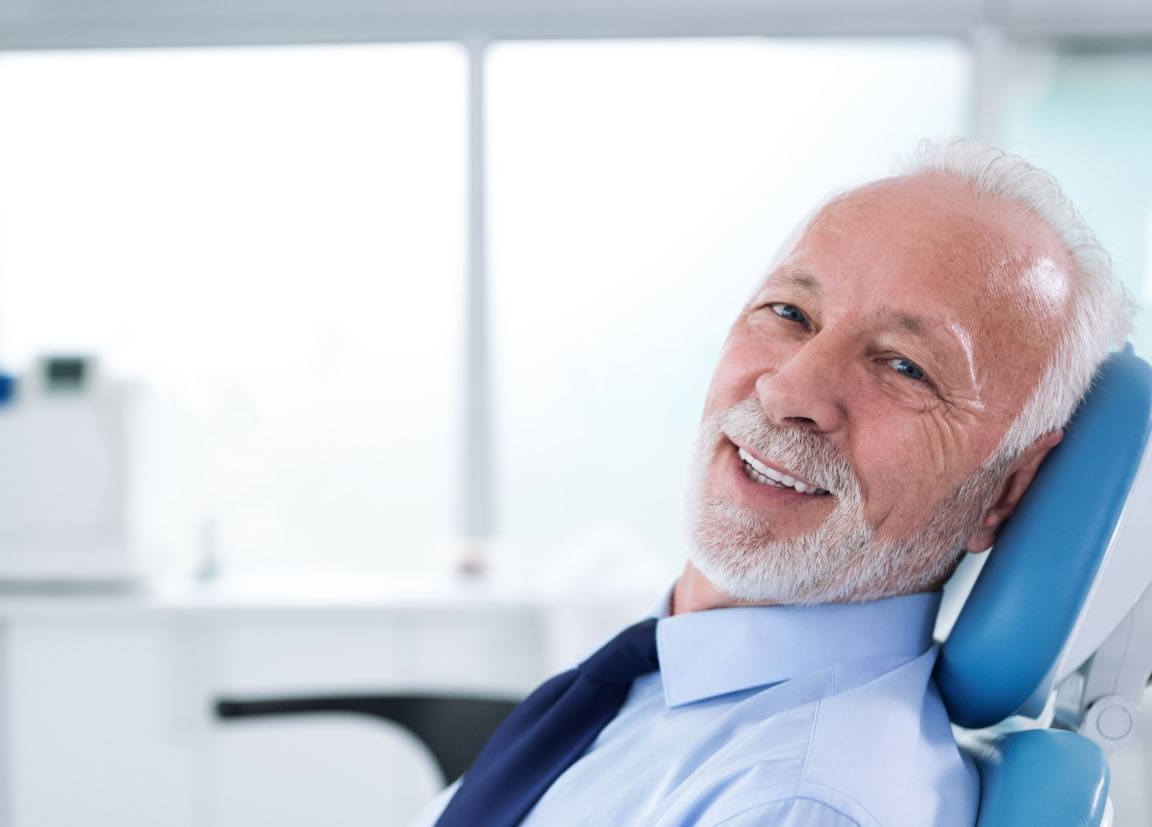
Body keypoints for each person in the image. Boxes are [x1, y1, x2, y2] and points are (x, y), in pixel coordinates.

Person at [411, 137, 1136, 827]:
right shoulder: (661, 681)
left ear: (1005, 490)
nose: (791, 389)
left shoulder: (798, 801)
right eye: (789, 313)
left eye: (904, 366)